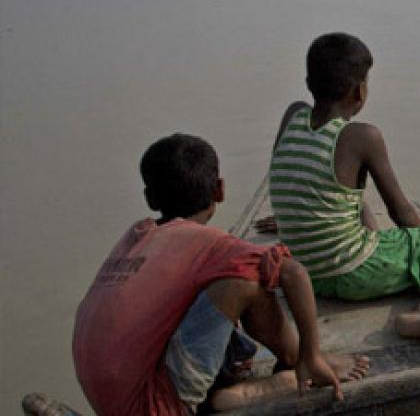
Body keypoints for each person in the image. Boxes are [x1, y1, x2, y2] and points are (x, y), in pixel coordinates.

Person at [73, 134, 370, 416]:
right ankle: (297, 364)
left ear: (150, 198)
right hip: (153, 405)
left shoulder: (137, 235)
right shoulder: (211, 245)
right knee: (246, 279)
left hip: (105, 396)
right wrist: (312, 353)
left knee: (212, 286)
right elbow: (294, 273)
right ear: (220, 190)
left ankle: (222, 389)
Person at [259, 32, 420, 359]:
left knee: (358, 202)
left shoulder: (292, 114)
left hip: (306, 274)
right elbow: (402, 213)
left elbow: (298, 178)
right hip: (350, 273)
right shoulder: (361, 136)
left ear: (309, 83)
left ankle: (376, 251)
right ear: (359, 91)